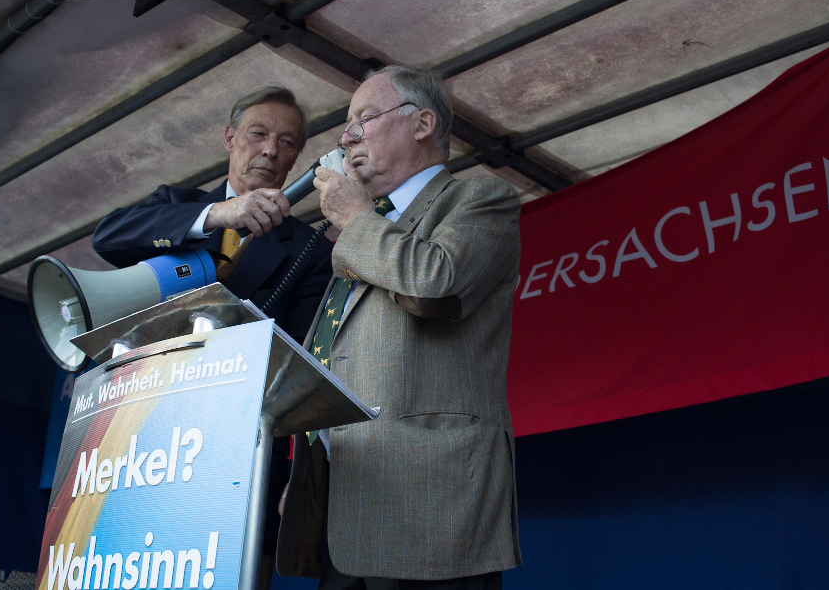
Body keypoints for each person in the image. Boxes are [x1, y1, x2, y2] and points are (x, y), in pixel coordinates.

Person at [277, 66, 522, 590]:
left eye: (364, 119)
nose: (346, 137)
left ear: (422, 123)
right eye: (346, 125)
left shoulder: (479, 200)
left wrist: (358, 218)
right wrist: (308, 469)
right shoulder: (356, 233)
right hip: (340, 504)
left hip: (430, 511)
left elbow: (436, 285)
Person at [92, 86, 333, 589]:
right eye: (258, 134)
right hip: (144, 444)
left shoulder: (311, 250)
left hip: (236, 460)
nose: (270, 149)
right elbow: (108, 236)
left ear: (296, 158)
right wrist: (217, 216)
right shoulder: (178, 206)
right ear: (229, 138)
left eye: (287, 142)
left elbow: (300, 361)